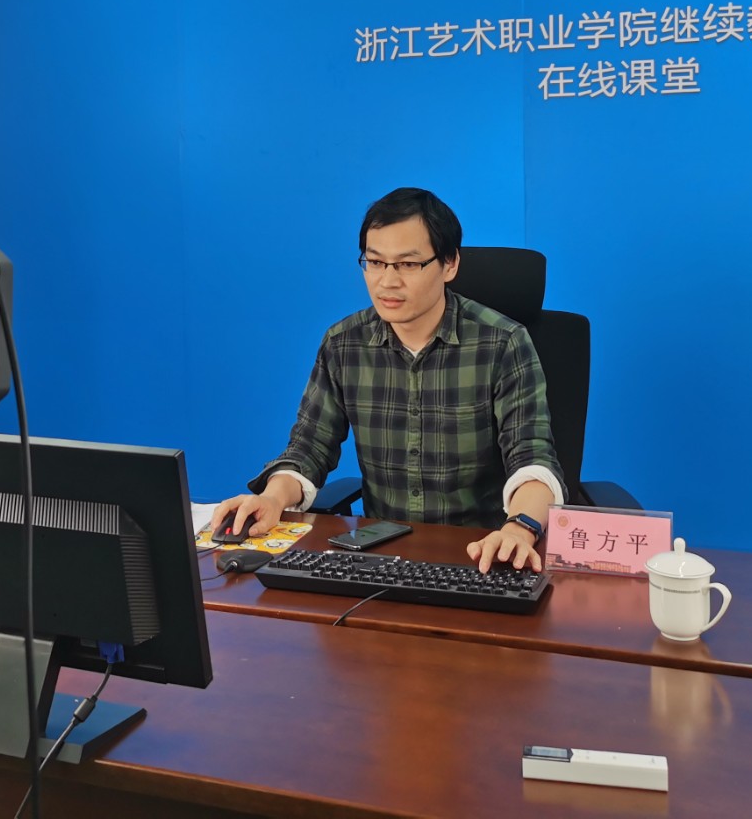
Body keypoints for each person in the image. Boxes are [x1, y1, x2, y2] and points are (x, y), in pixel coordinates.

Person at [208, 187, 566, 572]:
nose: (387, 282)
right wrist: (273, 498)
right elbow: (309, 447)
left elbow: (532, 457)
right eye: (375, 262)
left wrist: (520, 528)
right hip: (381, 555)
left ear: (449, 264)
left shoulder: (503, 343)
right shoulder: (344, 344)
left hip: (481, 553)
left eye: (407, 264)